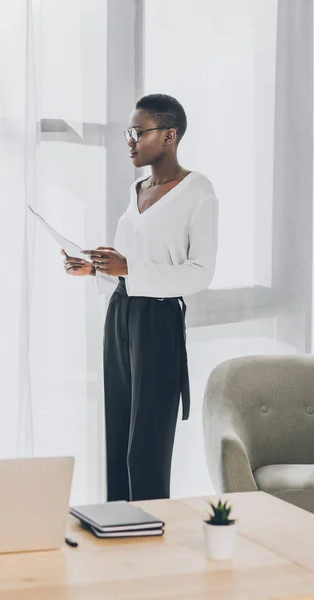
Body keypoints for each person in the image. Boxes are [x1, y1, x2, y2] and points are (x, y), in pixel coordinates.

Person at [62, 94, 219, 502]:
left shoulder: (199, 192)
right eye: (128, 133)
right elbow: (125, 261)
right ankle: (117, 532)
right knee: (118, 436)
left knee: (145, 447)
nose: (130, 141)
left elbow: (201, 272)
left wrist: (128, 269)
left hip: (158, 320)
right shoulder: (137, 190)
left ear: (169, 135)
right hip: (120, 314)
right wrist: (94, 268)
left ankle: (149, 539)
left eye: (139, 132)